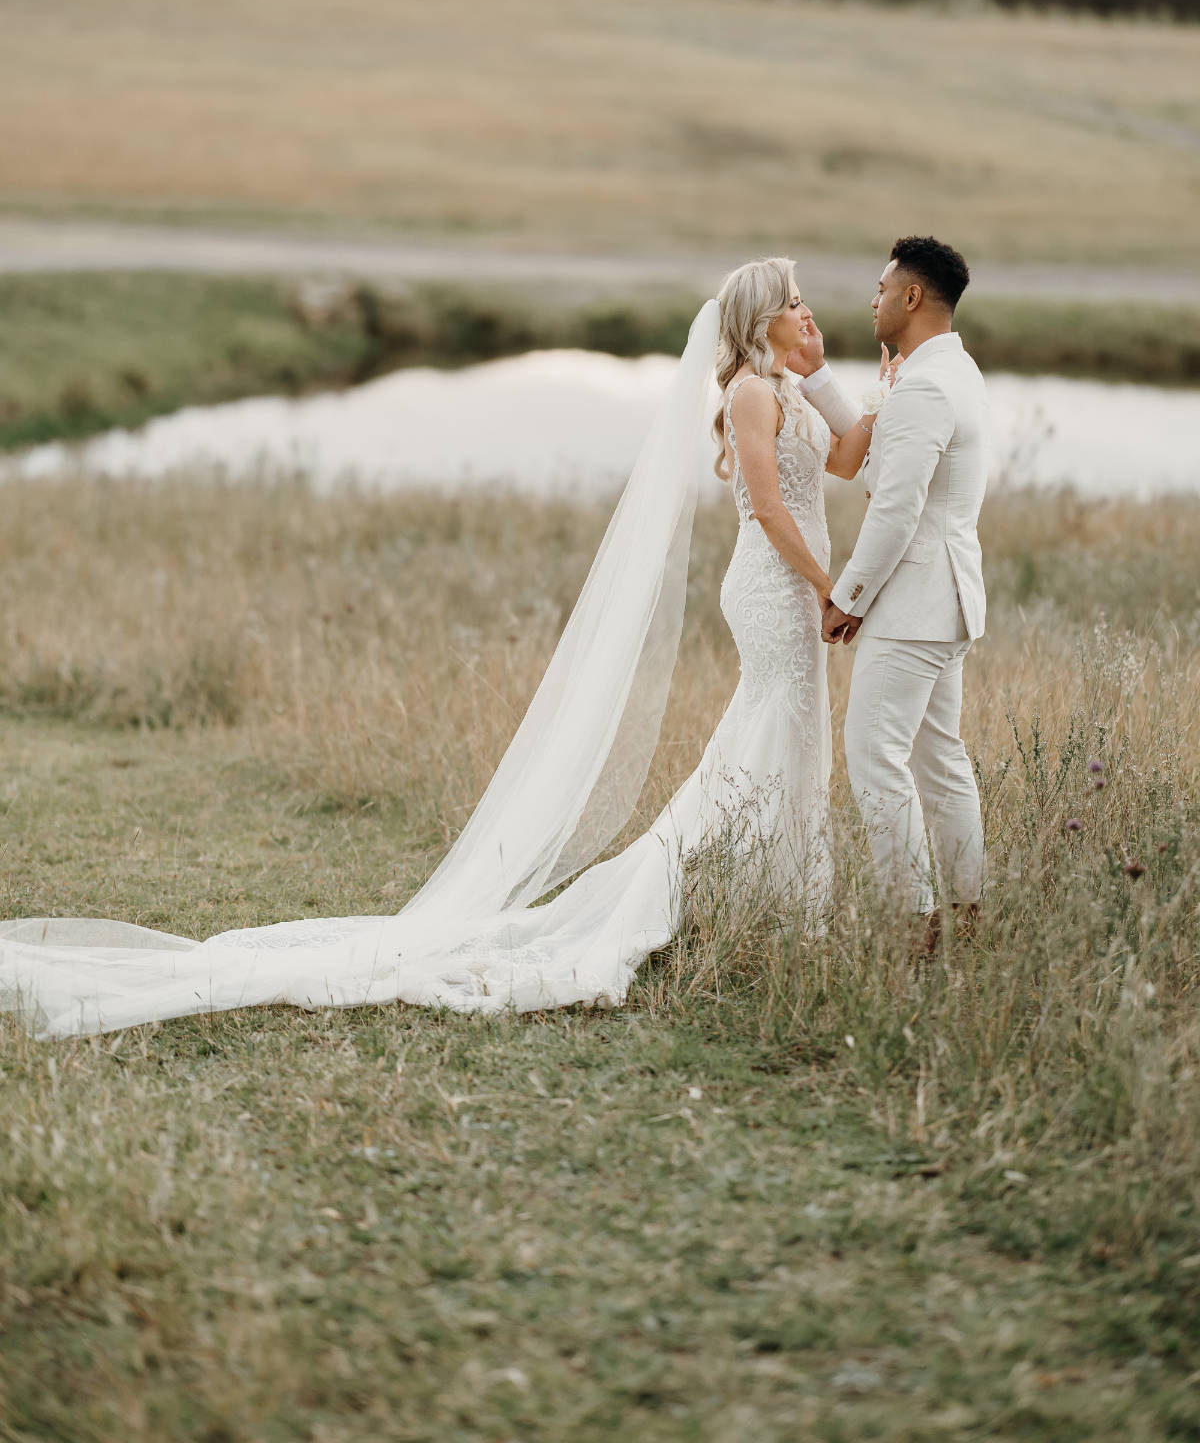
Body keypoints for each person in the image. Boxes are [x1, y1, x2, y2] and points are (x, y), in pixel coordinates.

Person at [0, 260, 878, 1038]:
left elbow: (845, 462)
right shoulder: (753, 395)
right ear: (758, 321)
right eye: (794, 306)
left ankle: (778, 900)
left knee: (783, 738)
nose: (810, 315)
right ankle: (754, 900)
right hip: (774, 590)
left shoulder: (789, 390)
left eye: (807, 304)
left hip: (792, 587)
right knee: (775, 733)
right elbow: (766, 507)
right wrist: (827, 591)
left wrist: (863, 382)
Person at [822, 237, 989, 953]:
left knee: (873, 754)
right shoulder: (956, 370)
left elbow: (896, 510)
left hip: (914, 603)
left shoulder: (924, 385)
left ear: (912, 297)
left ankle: (915, 922)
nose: (875, 298)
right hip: (946, 599)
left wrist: (849, 596)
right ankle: (966, 909)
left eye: (884, 286)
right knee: (937, 759)